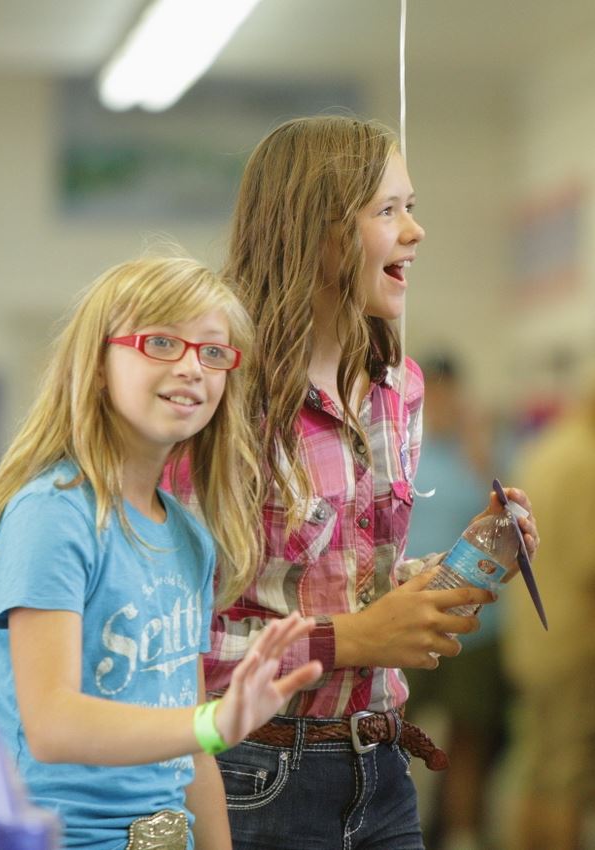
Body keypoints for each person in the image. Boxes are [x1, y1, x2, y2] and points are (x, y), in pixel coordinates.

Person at [190, 115, 540, 850]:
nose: (415, 232)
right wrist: (349, 638)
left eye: (409, 207)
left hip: (380, 769)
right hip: (254, 775)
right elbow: (180, 641)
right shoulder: (217, 394)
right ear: (315, 228)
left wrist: (458, 570)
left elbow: (358, 589)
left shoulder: (395, 388)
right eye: (387, 210)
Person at [0, 255, 323, 850]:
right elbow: (53, 725)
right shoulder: (53, 514)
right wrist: (215, 724)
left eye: (214, 352)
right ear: (96, 365)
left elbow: (193, 758)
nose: (194, 367)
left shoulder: (189, 537)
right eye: (162, 342)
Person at [404, 353, 511, 850]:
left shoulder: (481, 452)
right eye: (434, 393)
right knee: (395, 736)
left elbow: (509, 525)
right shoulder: (404, 448)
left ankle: (461, 836)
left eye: (450, 392)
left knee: (470, 740)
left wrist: (478, 445)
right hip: (409, 617)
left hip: (478, 625)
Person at [502, 363, 595, 850]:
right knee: (568, 779)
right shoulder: (586, 461)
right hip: (573, 643)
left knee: (536, 770)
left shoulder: (545, 448)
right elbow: (589, 562)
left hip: (533, 638)